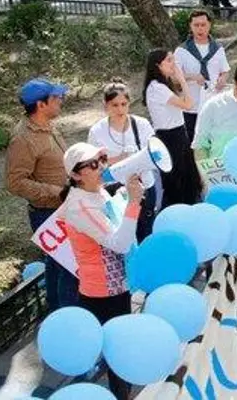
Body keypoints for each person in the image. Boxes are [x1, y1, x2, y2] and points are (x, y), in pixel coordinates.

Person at [58, 143, 144, 400]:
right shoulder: (80, 206)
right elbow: (120, 243)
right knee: (117, 353)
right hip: (103, 293)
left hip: (117, 285)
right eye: (93, 164)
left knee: (117, 348)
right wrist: (134, 203)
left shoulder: (96, 192)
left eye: (102, 159)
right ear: (75, 175)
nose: (102, 167)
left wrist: (127, 198)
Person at [6, 78, 79, 311]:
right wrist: (56, 192)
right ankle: (68, 319)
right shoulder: (23, 139)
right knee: (69, 269)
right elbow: (15, 182)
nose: (61, 101)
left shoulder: (49, 125)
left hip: (63, 207)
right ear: (41, 104)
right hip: (47, 213)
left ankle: (57, 310)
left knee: (58, 267)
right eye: (56, 98)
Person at [87, 79, 160, 243]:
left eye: (124, 104)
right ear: (106, 106)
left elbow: (155, 152)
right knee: (122, 234)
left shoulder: (141, 124)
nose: (120, 109)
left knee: (145, 230)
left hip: (144, 184)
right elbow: (92, 164)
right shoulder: (97, 131)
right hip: (115, 188)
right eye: (114, 105)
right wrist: (119, 159)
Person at [143, 49, 204, 207]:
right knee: (176, 181)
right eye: (169, 60)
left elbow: (185, 101)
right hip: (169, 137)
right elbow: (188, 104)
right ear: (158, 65)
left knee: (188, 179)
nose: (174, 64)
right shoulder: (157, 88)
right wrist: (182, 79)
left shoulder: (165, 85)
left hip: (179, 134)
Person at [174, 10, 230, 139]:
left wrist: (222, 78)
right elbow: (173, 78)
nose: (200, 28)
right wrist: (192, 76)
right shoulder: (182, 51)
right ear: (190, 26)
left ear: (209, 25)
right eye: (196, 25)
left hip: (212, 104)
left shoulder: (217, 49)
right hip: (190, 108)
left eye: (203, 25)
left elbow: (225, 70)